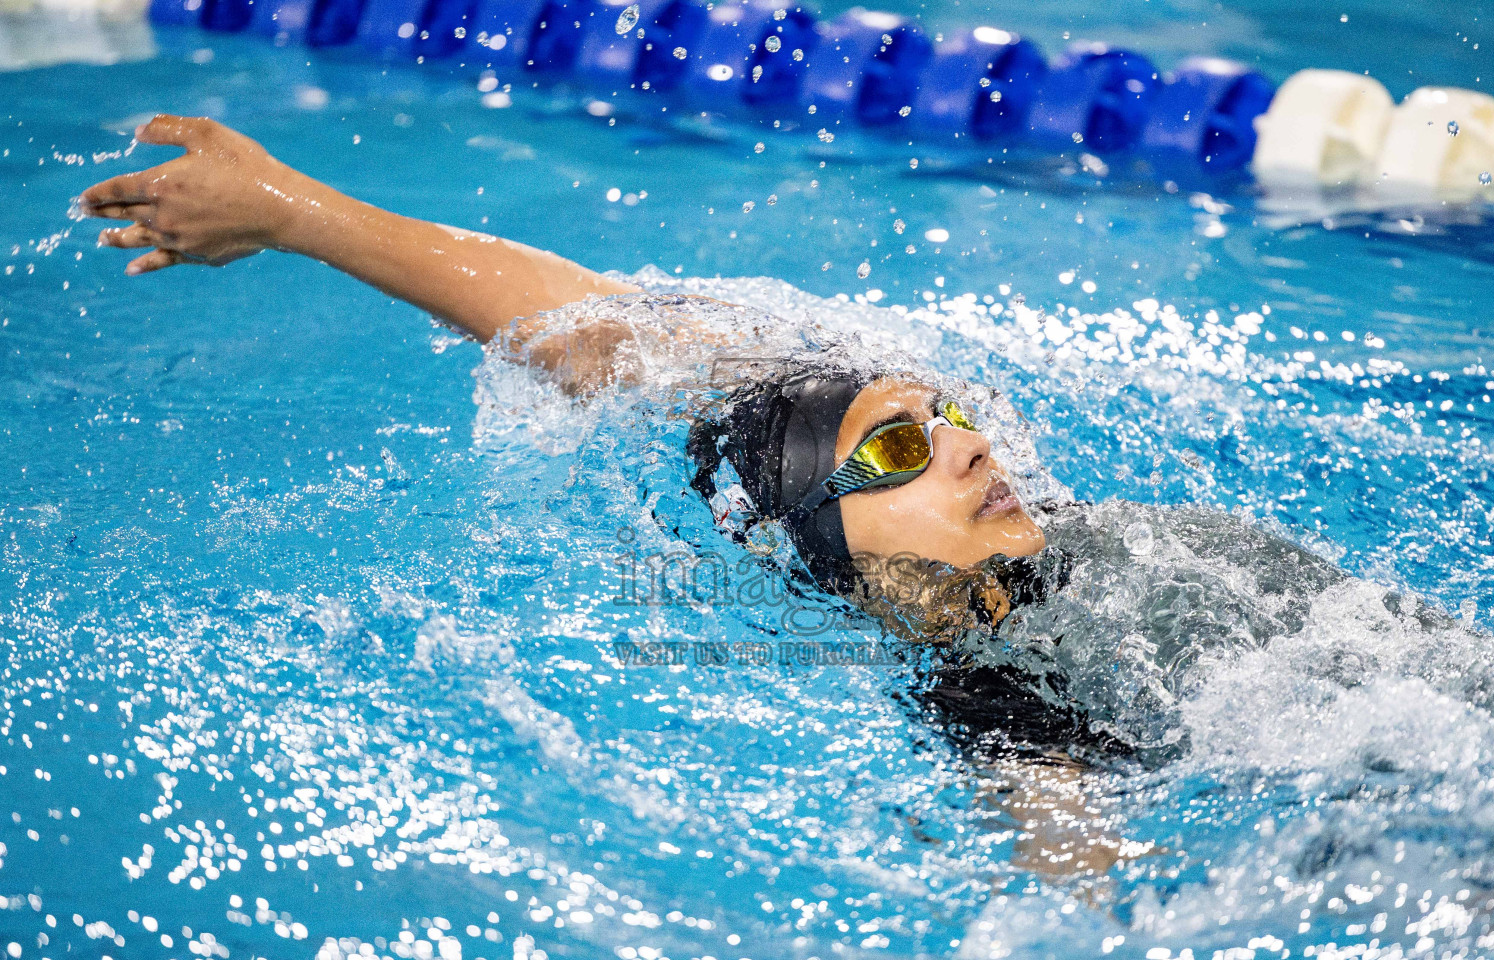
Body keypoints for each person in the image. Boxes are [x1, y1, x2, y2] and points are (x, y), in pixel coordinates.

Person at [81, 114, 1404, 877]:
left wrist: (301, 212)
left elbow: (613, 333)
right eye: (899, 454)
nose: (964, 445)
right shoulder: (1003, 703)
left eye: (946, 420)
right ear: (825, 554)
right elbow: (1074, 882)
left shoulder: (1047, 529)